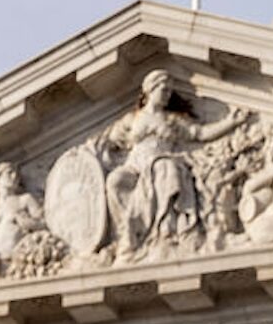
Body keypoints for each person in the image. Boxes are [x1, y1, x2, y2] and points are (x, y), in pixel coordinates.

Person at [102, 69, 251, 256]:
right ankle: (129, 232)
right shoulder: (132, 119)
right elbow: (110, 142)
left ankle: (165, 229)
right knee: (114, 180)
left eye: (169, 92)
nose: (167, 95)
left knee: (166, 168)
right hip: (135, 164)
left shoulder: (172, 120)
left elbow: (200, 133)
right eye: (163, 90)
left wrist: (230, 122)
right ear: (150, 90)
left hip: (160, 160)